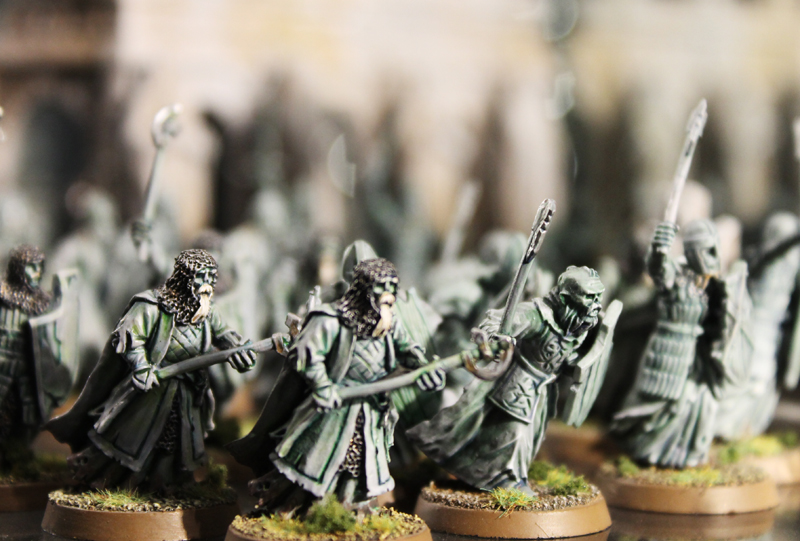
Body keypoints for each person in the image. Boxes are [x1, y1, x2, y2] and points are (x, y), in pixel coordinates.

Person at [228, 258, 444, 512]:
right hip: (333, 407)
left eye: (391, 287)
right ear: (363, 291)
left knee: (359, 464)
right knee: (315, 463)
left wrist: (423, 367)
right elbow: (307, 355)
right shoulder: (331, 320)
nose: (387, 295)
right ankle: (293, 505)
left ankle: (351, 509)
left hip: (370, 409)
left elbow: (408, 350)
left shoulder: (390, 324)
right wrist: (323, 386)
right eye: (381, 288)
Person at [47, 249, 256, 492]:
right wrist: (142, 366)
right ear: (185, 277)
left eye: (211, 277)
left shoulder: (208, 310)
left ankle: (168, 484)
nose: (207, 284)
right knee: (133, 441)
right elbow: (130, 337)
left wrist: (238, 348)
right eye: (202, 277)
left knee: (178, 444)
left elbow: (224, 334)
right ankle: (115, 482)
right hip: (152, 390)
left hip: (187, 393)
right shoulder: (152, 305)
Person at [408, 266, 610, 494]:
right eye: (589, 297)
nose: (595, 304)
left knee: (528, 439)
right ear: (566, 298)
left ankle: (502, 475)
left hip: (542, 393)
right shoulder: (536, 314)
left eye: (597, 297)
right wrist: (494, 336)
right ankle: (507, 481)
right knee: (513, 434)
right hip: (516, 385)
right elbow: (499, 321)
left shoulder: (579, 323)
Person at [611, 219, 740, 468]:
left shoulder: (711, 284)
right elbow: (659, 270)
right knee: (654, 408)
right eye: (708, 250)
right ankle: (644, 448)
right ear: (692, 251)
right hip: (666, 350)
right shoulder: (677, 275)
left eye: (715, 250)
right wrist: (659, 250)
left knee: (698, 402)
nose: (714, 257)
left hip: (693, 355)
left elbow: (718, 320)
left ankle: (680, 454)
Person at [0, 245, 53, 466]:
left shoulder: (43, 301)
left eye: (39, 267)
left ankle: (17, 451)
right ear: (18, 268)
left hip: (29, 365)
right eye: (31, 267)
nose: (37, 273)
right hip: (3, 360)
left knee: (30, 409)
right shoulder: (2, 295)